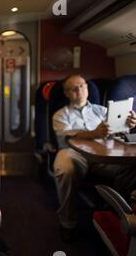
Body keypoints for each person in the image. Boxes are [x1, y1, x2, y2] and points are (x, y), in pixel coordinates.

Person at [53, 74, 136, 241]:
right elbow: (65, 138)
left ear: (87, 88)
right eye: (73, 88)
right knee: (65, 167)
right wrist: (93, 133)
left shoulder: (103, 111)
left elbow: (117, 132)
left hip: (104, 154)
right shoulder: (61, 115)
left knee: (132, 164)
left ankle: (118, 210)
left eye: (82, 86)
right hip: (74, 153)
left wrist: (130, 125)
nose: (79, 90)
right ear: (67, 93)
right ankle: (67, 223)